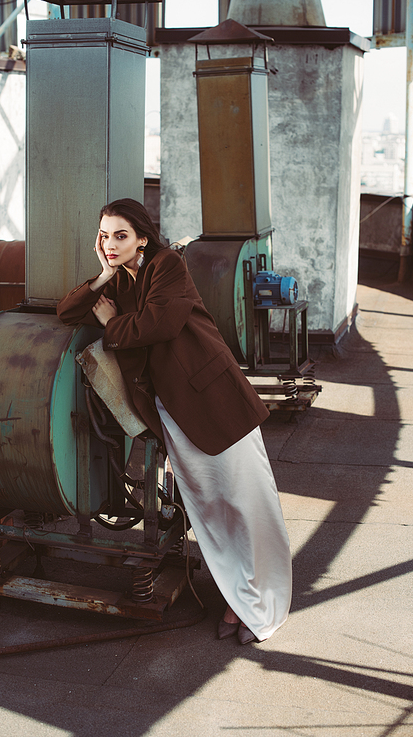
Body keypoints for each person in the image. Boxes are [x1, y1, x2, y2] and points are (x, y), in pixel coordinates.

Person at [57, 198, 292, 644]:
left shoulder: (167, 267)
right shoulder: (118, 280)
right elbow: (67, 312)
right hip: (171, 407)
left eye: (121, 236)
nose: (110, 244)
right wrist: (103, 278)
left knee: (246, 502)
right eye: (104, 236)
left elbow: (157, 325)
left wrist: (112, 325)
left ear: (143, 237)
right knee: (209, 507)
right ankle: (237, 597)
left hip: (215, 399)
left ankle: (263, 601)